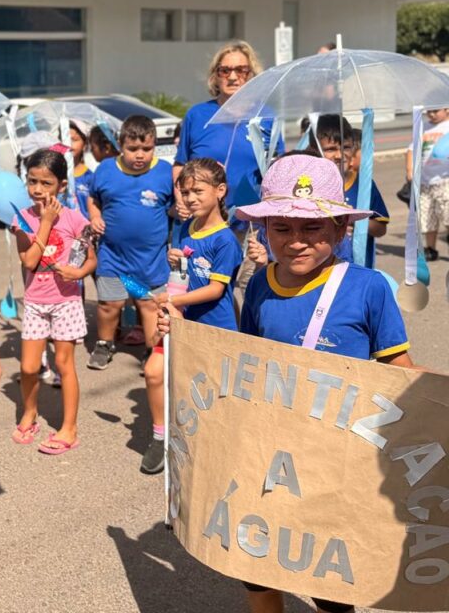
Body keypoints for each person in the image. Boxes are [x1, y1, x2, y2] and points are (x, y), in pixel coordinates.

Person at [158, 153, 414, 613]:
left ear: (340, 229)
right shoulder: (258, 286)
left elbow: (402, 373)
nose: (297, 241)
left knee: (331, 585)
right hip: (267, 460)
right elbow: (247, 365)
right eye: (282, 228)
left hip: (336, 466)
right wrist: (183, 335)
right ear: (263, 231)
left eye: (313, 228)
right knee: (257, 571)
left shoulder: (369, 288)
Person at [141, 158, 240, 474]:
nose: (190, 198)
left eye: (198, 190)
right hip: (180, 321)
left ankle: (212, 447)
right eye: (185, 192)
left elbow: (215, 290)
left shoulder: (225, 240)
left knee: (209, 392)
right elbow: (184, 272)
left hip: (214, 328)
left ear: (220, 191)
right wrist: (175, 262)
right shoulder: (186, 228)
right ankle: (161, 436)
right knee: (154, 373)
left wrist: (174, 298)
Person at [11, 147, 95, 454]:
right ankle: (29, 411)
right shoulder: (21, 219)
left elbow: (90, 260)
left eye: (46, 183)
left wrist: (78, 272)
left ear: (62, 185)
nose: (37, 189)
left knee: (64, 364)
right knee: (29, 366)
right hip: (35, 301)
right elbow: (30, 261)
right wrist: (45, 222)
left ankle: (69, 428)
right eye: (32, 181)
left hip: (66, 301)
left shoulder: (75, 220)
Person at [87, 115, 174, 369]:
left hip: (151, 259)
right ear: (120, 145)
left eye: (146, 149)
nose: (140, 155)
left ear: (155, 145)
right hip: (113, 256)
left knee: (148, 305)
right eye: (132, 149)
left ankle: (152, 351)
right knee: (108, 305)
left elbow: (174, 207)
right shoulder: (105, 169)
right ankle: (104, 344)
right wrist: (94, 215)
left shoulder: (165, 173)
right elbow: (93, 198)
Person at [173, 41, 281, 221]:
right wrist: (182, 200)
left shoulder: (267, 117)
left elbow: (278, 167)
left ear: (251, 75)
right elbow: (180, 164)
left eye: (241, 70)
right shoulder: (197, 115)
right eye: (225, 70)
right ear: (215, 76)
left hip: (249, 222)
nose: (232, 77)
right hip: (202, 221)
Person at [311, 115, 388, 267]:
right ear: (315, 150)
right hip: (319, 270)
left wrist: (357, 219)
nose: (339, 155)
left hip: (358, 269)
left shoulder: (364, 185)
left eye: (346, 147)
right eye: (331, 149)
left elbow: (381, 229)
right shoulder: (308, 186)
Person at [406, 107, 449, 261]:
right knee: (427, 216)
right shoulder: (423, 127)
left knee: (447, 215)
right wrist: (409, 169)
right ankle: (430, 248)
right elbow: (411, 149)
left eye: (435, 110)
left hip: (445, 181)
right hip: (425, 182)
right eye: (429, 111)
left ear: (447, 109)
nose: (431, 114)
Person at [68, 120, 94, 220]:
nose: (69, 144)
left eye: (74, 140)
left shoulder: (90, 177)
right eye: (64, 139)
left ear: (85, 144)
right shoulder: (54, 174)